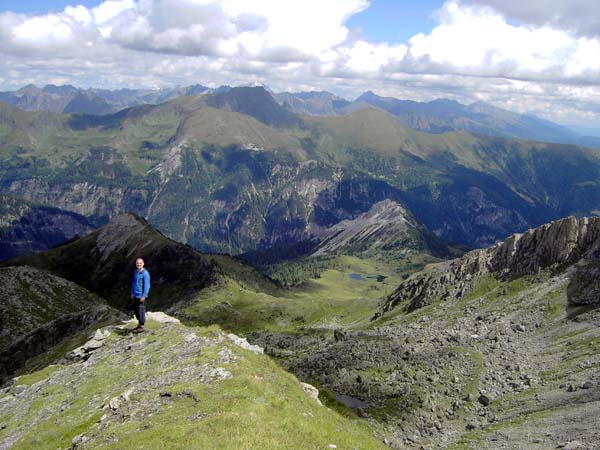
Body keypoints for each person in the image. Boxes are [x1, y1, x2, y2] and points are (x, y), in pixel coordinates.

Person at [131, 257, 150, 333]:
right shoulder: (135, 272)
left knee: (141, 310)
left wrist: (144, 295)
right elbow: (133, 283)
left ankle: (142, 326)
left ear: (143, 264)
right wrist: (132, 292)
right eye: (137, 263)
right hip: (135, 294)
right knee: (136, 310)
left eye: (140, 263)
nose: (138, 264)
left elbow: (147, 285)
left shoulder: (145, 274)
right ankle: (139, 323)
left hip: (141, 296)